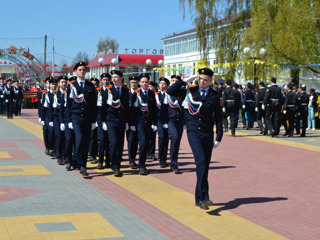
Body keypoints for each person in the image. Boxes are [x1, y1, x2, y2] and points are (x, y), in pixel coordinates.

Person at [167, 68, 223, 210]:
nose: (202, 81)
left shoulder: (215, 96)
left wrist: (219, 137)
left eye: (205, 79)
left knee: (203, 166)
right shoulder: (190, 91)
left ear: (211, 80)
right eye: (200, 79)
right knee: (202, 161)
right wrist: (185, 81)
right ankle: (204, 197)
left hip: (207, 133)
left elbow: (218, 118)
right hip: (193, 133)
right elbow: (170, 91)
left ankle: (199, 198)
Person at [66, 62, 97, 176]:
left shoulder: (90, 86)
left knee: (85, 142)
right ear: (75, 71)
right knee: (79, 139)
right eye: (80, 70)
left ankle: (79, 162)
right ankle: (81, 165)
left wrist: (94, 121)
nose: (82, 72)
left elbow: (94, 105)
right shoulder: (71, 86)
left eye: (84, 70)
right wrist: (68, 120)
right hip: (76, 116)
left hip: (87, 117)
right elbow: (68, 104)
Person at [102, 70, 130, 176]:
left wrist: (127, 122)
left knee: (120, 144)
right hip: (111, 120)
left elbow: (127, 108)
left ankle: (117, 164)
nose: (113, 79)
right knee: (113, 143)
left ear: (121, 78)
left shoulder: (126, 91)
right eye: (112, 77)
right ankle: (114, 165)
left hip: (121, 120)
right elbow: (103, 107)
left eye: (116, 77)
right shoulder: (107, 90)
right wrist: (103, 121)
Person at [132, 73, 158, 175]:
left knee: (147, 142)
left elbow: (154, 110)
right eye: (143, 82)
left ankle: (142, 164)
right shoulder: (136, 93)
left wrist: (155, 123)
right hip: (139, 121)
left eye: (146, 82)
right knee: (142, 142)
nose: (145, 84)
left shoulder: (152, 93)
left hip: (148, 122)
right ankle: (141, 166)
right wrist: (132, 123)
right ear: (139, 83)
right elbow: (132, 110)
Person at [166, 74, 185, 172]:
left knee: (177, 142)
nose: (174, 83)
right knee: (175, 137)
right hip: (170, 120)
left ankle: (174, 162)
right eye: (173, 81)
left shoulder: (183, 93)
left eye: (177, 81)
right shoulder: (168, 93)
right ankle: (173, 162)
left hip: (180, 121)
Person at [95, 73, 112, 169]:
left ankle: (108, 161)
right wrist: (97, 121)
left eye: (107, 79)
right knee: (101, 141)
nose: (105, 81)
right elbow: (95, 108)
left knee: (109, 141)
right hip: (100, 120)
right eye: (104, 79)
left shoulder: (112, 91)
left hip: (110, 120)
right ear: (101, 81)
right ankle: (100, 161)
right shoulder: (98, 91)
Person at [156, 77, 169, 170]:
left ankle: (164, 158)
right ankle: (161, 159)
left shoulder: (169, 95)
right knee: (161, 137)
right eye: (161, 83)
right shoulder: (156, 94)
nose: (162, 85)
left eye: (164, 83)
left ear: (167, 85)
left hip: (168, 120)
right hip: (159, 120)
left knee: (166, 139)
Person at [126, 76, 139, 169]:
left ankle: (133, 159)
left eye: (135, 82)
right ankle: (131, 160)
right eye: (132, 82)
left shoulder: (140, 93)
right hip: (129, 122)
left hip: (139, 121)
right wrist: (127, 122)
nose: (133, 84)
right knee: (130, 141)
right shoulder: (126, 93)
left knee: (136, 142)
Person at [147, 81, 159, 161]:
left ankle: (152, 153)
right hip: (146, 119)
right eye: (149, 86)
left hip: (154, 118)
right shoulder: (147, 94)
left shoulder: (156, 95)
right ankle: (147, 153)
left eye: (152, 87)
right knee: (146, 137)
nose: (150, 88)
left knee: (153, 137)